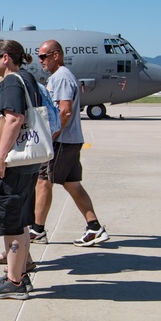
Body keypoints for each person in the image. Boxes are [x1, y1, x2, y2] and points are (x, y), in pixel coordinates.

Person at [0, 39, 43, 299]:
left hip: (10, 165)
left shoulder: (13, 81)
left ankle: (14, 282)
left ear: (5, 58)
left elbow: (15, 118)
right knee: (19, 221)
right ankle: (19, 273)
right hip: (23, 165)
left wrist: (0, 157)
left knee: (10, 223)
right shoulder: (26, 79)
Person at [31, 40, 110, 247]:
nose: (40, 61)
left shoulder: (61, 77)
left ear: (56, 55)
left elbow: (65, 110)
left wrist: (52, 135)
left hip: (62, 141)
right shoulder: (60, 77)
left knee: (43, 181)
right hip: (71, 140)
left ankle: (37, 229)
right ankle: (94, 227)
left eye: (43, 56)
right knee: (72, 184)